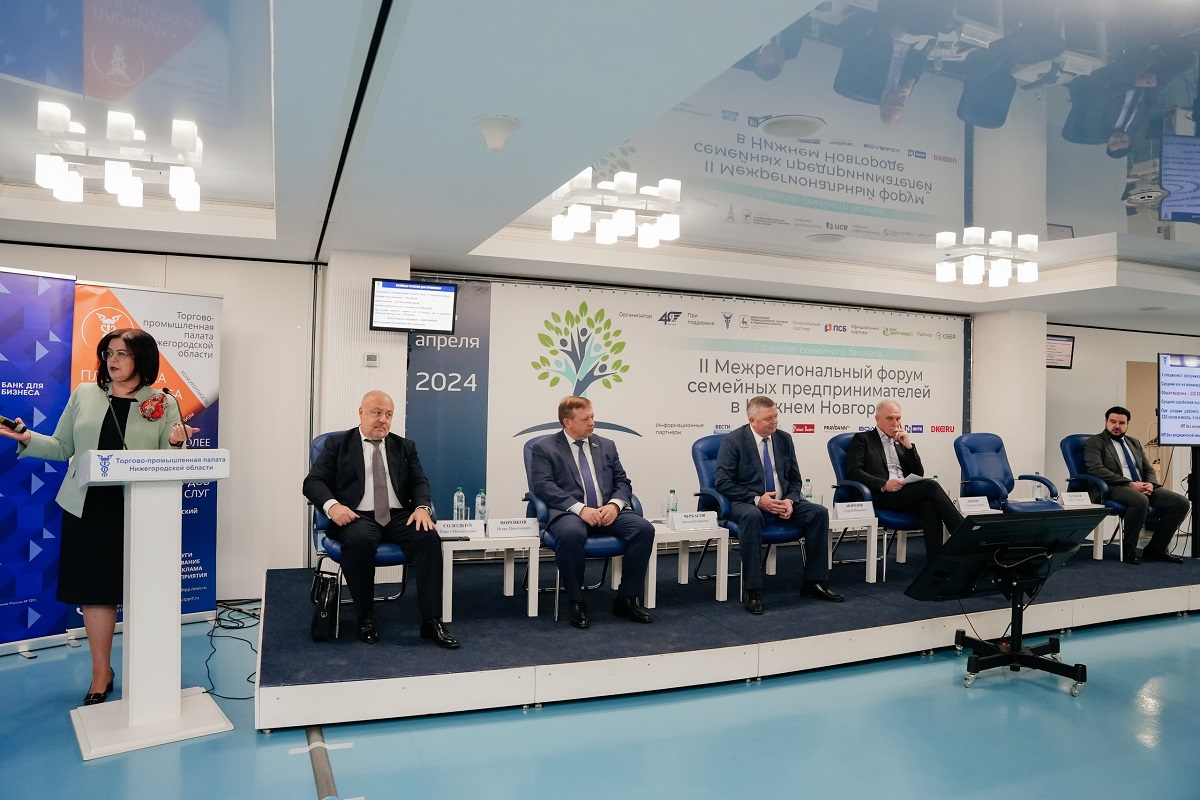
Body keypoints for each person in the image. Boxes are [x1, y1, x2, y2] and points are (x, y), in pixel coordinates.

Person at [0, 328, 195, 706]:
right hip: (87, 507)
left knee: (145, 591)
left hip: (140, 509)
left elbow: (171, 464)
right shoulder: (85, 394)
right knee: (95, 594)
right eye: (108, 353)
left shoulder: (162, 402)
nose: (112, 360)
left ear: (142, 358)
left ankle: (151, 670)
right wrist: (26, 437)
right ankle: (101, 672)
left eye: (122, 353)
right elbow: (62, 447)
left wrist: (174, 443)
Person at [302, 390, 458, 647]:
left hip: (398, 515)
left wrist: (422, 507)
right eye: (377, 413)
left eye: (388, 414)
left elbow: (419, 482)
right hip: (357, 515)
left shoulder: (404, 447)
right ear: (361, 412)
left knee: (428, 538)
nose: (383, 419)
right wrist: (333, 507)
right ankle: (365, 616)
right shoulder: (337, 445)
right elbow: (313, 482)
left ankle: (432, 621)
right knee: (359, 541)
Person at [529, 396, 655, 630]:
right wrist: (580, 509)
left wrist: (615, 505)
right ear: (567, 422)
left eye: (593, 417)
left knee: (643, 529)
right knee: (570, 534)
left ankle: (626, 598)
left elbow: (622, 481)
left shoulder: (606, 445)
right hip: (569, 512)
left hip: (607, 510)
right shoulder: (545, 448)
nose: (592, 423)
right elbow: (543, 486)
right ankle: (576, 601)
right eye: (585, 419)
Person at [716, 396, 842, 615]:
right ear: (752, 420)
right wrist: (758, 500)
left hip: (783, 501)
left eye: (776, 416)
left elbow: (795, 478)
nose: (775, 421)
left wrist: (790, 500)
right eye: (769, 418)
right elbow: (723, 482)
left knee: (818, 513)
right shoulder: (734, 440)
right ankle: (753, 589)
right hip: (747, 502)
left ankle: (814, 582)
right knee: (752, 516)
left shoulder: (784, 439)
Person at [844, 400, 962, 559]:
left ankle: (935, 563)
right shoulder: (863, 439)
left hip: (904, 493)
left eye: (898, 418)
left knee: (929, 506)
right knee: (931, 486)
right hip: (881, 495)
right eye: (890, 418)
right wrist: (884, 484)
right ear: (877, 419)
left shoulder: (900, 441)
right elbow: (854, 472)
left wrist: (909, 447)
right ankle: (962, 532)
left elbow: (918, 473)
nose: (895, 423)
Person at [1084, 406, 1189, 564]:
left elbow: (1148, 468)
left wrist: (1151, 483)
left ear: (1127, 424)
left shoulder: (1134, 442)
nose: (1117, 426)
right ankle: (1129, 550)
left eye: (1121, 423)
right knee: (1140, 500)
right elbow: (1096, 469)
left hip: (1141, 486)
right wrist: (1129, 483)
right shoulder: (1094, 442)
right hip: (1113, 487)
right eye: (1113, 422)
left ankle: (1156, 549)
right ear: (1106, 422)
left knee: (1181, 503)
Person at [1062, 45, 1193, 158]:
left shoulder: (1096, 128)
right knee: (1187, 60)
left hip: (1117, 82)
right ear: (1129, 141)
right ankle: (1165, 44)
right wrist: (1154, 85)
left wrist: (1134, 83)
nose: (1118, 138)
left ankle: (1148, 45)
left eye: (1114, 143)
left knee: (1144, 57)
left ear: (1107, 144)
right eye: (1123, 141)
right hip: (1143, 86)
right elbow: (1150, 105)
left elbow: (1101, 99)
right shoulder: (1136, 129)